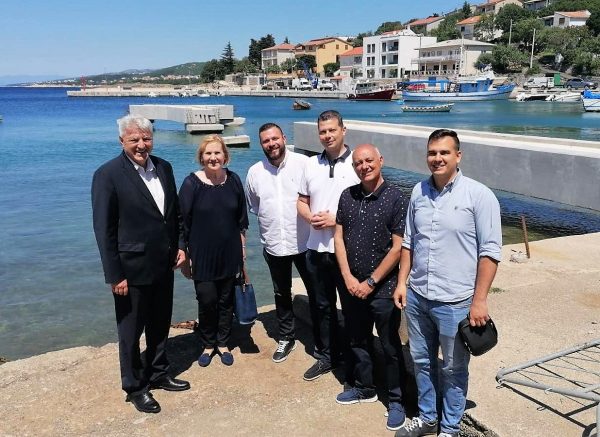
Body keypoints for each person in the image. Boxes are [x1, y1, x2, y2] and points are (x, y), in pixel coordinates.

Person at [393, 129, 502, 437]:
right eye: (432, 153)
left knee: (453, 368)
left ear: (458, 156)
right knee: (421, 361)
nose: (437, 158)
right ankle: (428, 417)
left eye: (444, 152)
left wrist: (479, 300)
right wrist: (402, 282)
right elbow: (409, 242)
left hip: (456, 302)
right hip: (418, 296)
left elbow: (490, 252)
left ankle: (450, 427)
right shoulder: (418, 192)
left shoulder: (479, 196)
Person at [91, 115, 190, 414]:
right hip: (130, 269)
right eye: (134, 139)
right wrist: (114, 274)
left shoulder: (164, 167)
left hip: (164, 263)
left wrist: (181, 246)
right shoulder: (107, 175)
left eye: (146, 138)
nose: (141, 145)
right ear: (122, 140)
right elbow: (104, 229)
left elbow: (174, 214)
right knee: (130, 332)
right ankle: (135, 386)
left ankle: (158, 372)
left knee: (160, 323)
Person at [334, 144, 409, 431]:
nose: (364, 166)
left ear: (380, 160)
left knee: (390, 345)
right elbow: (338, 237)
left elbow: (398, 247)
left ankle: (396, 400)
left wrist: (371, 282)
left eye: (369, 161)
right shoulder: (347, 195)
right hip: (352, 285)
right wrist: (347, 277)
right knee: (357, 339)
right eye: (358, 163)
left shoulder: (396, 198)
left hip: (383, 288)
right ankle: (365, 387)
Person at [297, 110, 360, 381]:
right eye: (323, 131)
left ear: (343, 130)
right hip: (315, 249)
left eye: (332, 130)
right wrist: (310, 216)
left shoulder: (357, 163)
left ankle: (353, 359)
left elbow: (368, 206)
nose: (327, 135)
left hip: (347, 251)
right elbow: (301, 201)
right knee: (322, 306)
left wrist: (337, 220)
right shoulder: (311, 164)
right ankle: (326, 355)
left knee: (351, 307)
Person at [178, 134, 249, 368]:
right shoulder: (191, 183)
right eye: (208, 153)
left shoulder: (234, 180)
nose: (213, 157)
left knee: (226, 301)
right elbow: (181, 223)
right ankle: (208, 344)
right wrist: (184, 257)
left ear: (225, 156)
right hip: (202, 255)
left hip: (230, 254)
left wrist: (242, 252)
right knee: (207, 300)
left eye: (217, 152)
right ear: (201, 157)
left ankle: (223, 343)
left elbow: (241, 220)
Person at [245, 123, 312, 363]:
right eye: (266, 141)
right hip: (274, 244)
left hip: (305, 243)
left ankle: (323, 340)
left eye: (275, 138)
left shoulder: (304, 164)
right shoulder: (254, 172)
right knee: (281, 293)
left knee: (316, 292)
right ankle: (286, 336)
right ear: (261, 144)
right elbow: (254, 205)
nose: (271, 144)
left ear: (283, 138)